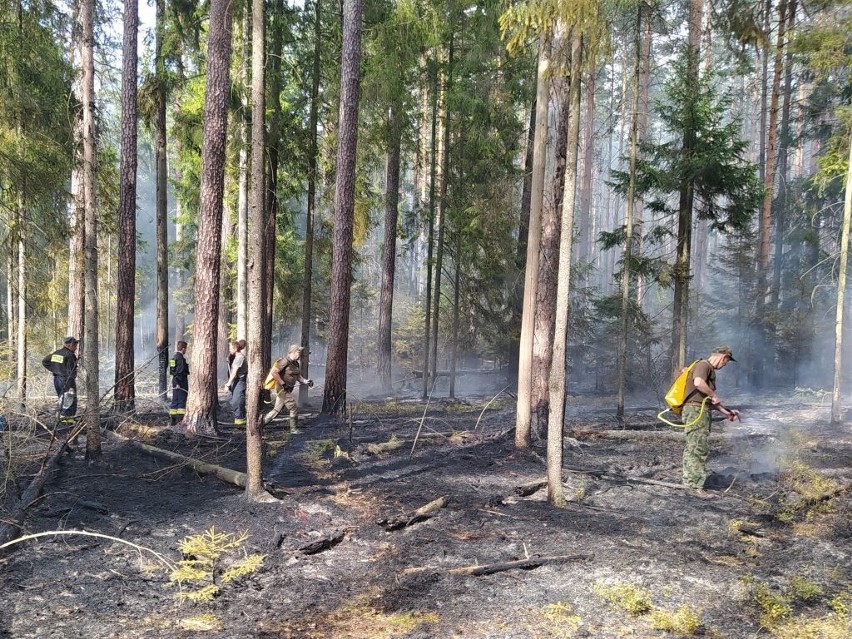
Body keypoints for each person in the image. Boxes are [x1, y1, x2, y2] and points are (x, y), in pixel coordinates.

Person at [681, 345, 741, 495]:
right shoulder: (704, 365)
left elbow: (708, 400)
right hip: (695, 411)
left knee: (693, 446)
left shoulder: (707, 368)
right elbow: (698, 383)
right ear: (723, 357)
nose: (725, 365)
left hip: (697, 410)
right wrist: (713, 395)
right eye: (726, 361)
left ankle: (689, 482)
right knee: (698, 448)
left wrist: (726, 412)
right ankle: (695, 487)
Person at [262, 344, 313, 433]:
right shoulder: (284, 361)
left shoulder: (295, 363)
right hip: (282, 389)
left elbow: (298, 377)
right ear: (293, 352)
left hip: (288, 389)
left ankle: (260, 424)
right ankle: (293, 429)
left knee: (277, 410)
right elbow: (274, 373)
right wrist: (283, 383)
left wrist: (306, 381)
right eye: (298, 352)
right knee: (293, 407)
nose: (300, 354)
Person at [42, 336, 79, 424]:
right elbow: (71, 371)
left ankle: (63, 420)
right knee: (69, 400)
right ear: (70, 345)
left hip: (57, 380)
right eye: (75, 345)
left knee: (62, 399)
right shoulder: (70, 355)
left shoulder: (56, 353)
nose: (76, 348)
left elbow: (45, 361)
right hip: (66, 380)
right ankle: (68, 422)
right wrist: (70, 385)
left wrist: (55, 370)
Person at [223, 339, 248, 426]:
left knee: (237, 400)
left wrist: (228, 384)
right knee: (230, 399)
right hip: (235, 381)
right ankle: (240, 415)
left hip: (239, 381)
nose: (229, 350)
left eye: (230, 348)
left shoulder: (240, 358)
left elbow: (234, 373)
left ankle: (240, 420)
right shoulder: (235, 356)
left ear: (235, 348)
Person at [169, 341, 189, 427]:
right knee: (181, 401)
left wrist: (175, 382)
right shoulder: (180, 359)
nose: (186, 351)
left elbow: (172, 371)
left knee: (175, 400)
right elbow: (179, 372)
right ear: (183, 349)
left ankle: (173, 421)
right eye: (186, 349)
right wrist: (178, 383)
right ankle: (179, 421)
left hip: (175, 381)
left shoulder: (173, 358)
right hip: (181, 382)